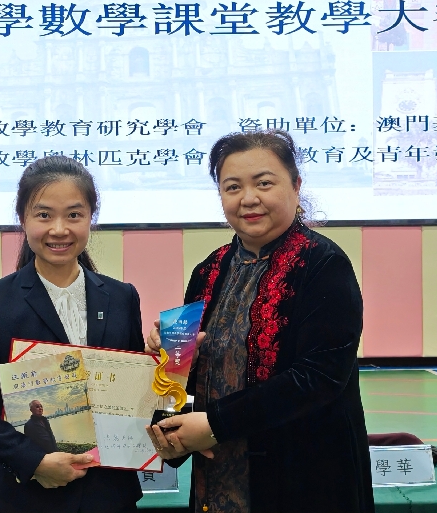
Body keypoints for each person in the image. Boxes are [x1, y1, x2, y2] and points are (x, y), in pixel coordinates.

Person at [145, 130, 374, 513]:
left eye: (264, 183)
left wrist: (214, 425)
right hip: (216, 480)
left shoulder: (323, 265)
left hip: (303, 480)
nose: (248, 198)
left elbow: (318, 378)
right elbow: (181, 373)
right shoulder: (208, 271)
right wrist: (170, 420)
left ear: (296, 185)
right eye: (232, 187)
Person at [0, 156, 145, 513]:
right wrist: (32, 461)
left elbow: (133, 395)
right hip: (27, 497)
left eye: (74, 215)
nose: (59, 229)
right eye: (44, 215)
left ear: (91, 218)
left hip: (109, 494)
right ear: (23, 219)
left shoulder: (122, 297)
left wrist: (168, 362)